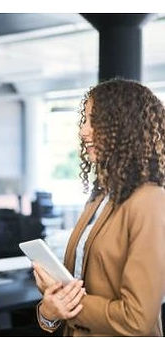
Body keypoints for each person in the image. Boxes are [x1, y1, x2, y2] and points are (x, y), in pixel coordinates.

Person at [33, 79, 165, 336]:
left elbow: (136, 319)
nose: (83, 131)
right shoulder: (100, 197)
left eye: (94, 121)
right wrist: (49, 312)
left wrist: (65, 301)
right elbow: (77, 288)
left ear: (124, 127)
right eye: (85, 120)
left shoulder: (150, 200)